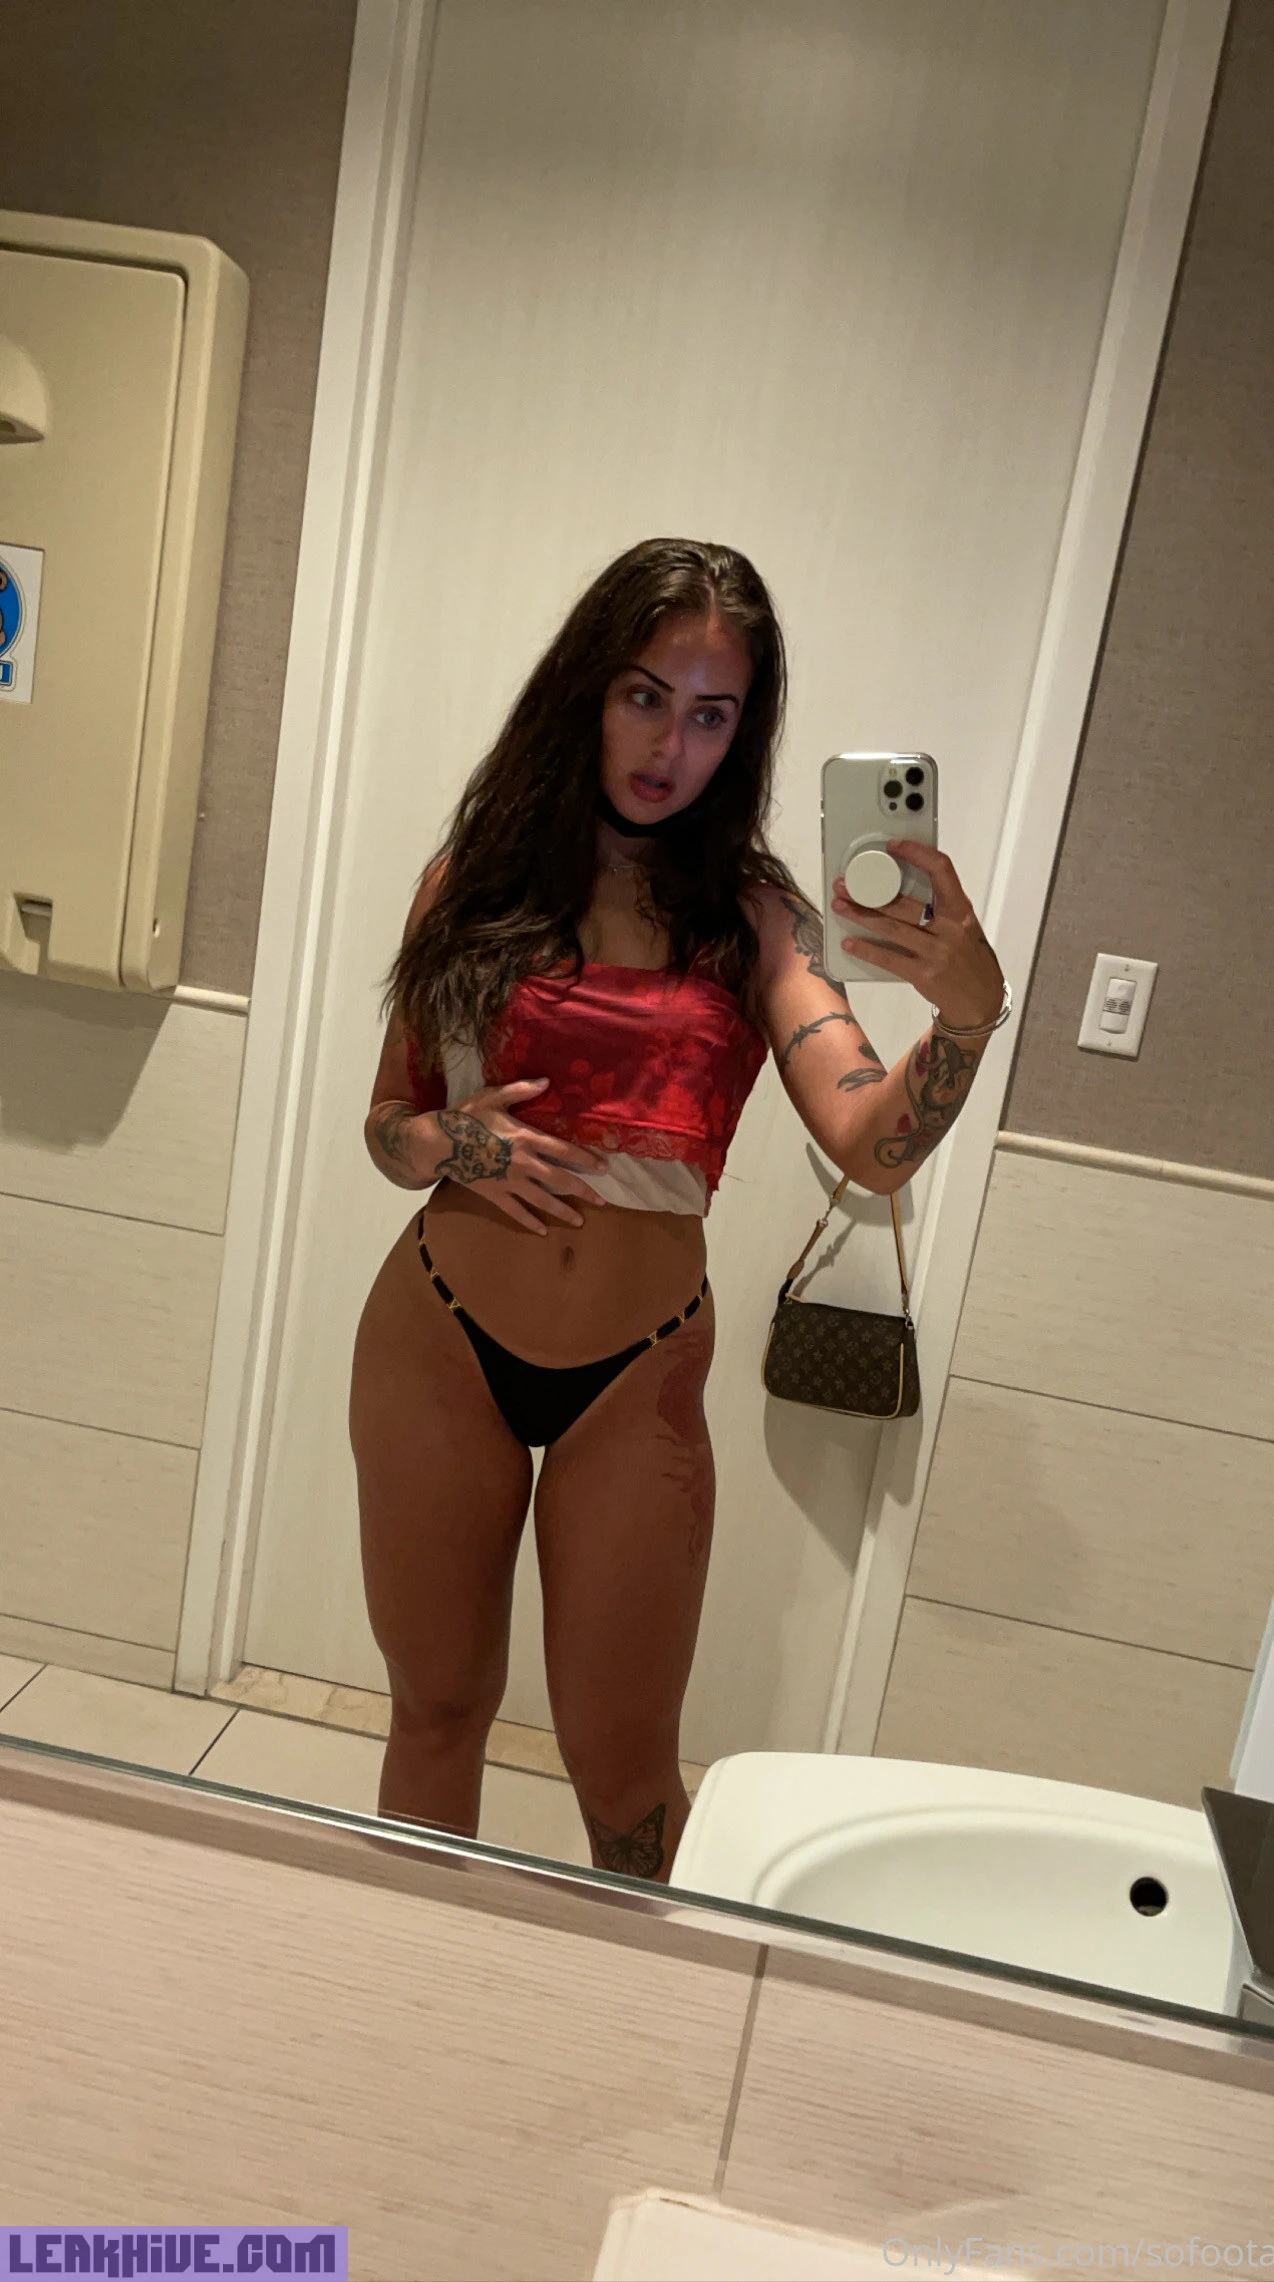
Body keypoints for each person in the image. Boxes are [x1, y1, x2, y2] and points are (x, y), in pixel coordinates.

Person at [349, 537, 1006, 1883]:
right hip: (437, 1341)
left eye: (713, 715)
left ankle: (646, 2008)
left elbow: (870, 1144)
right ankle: (400, 1992)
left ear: (744, 733)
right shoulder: (470, 880)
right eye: (645, 696)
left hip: (634, 1378)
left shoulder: (757, 920)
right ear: (587, 688)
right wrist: (453, 1141)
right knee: (435, 1711)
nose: (671, 746)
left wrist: (968, 1017)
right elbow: (386, 1128)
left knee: (626, 1770)